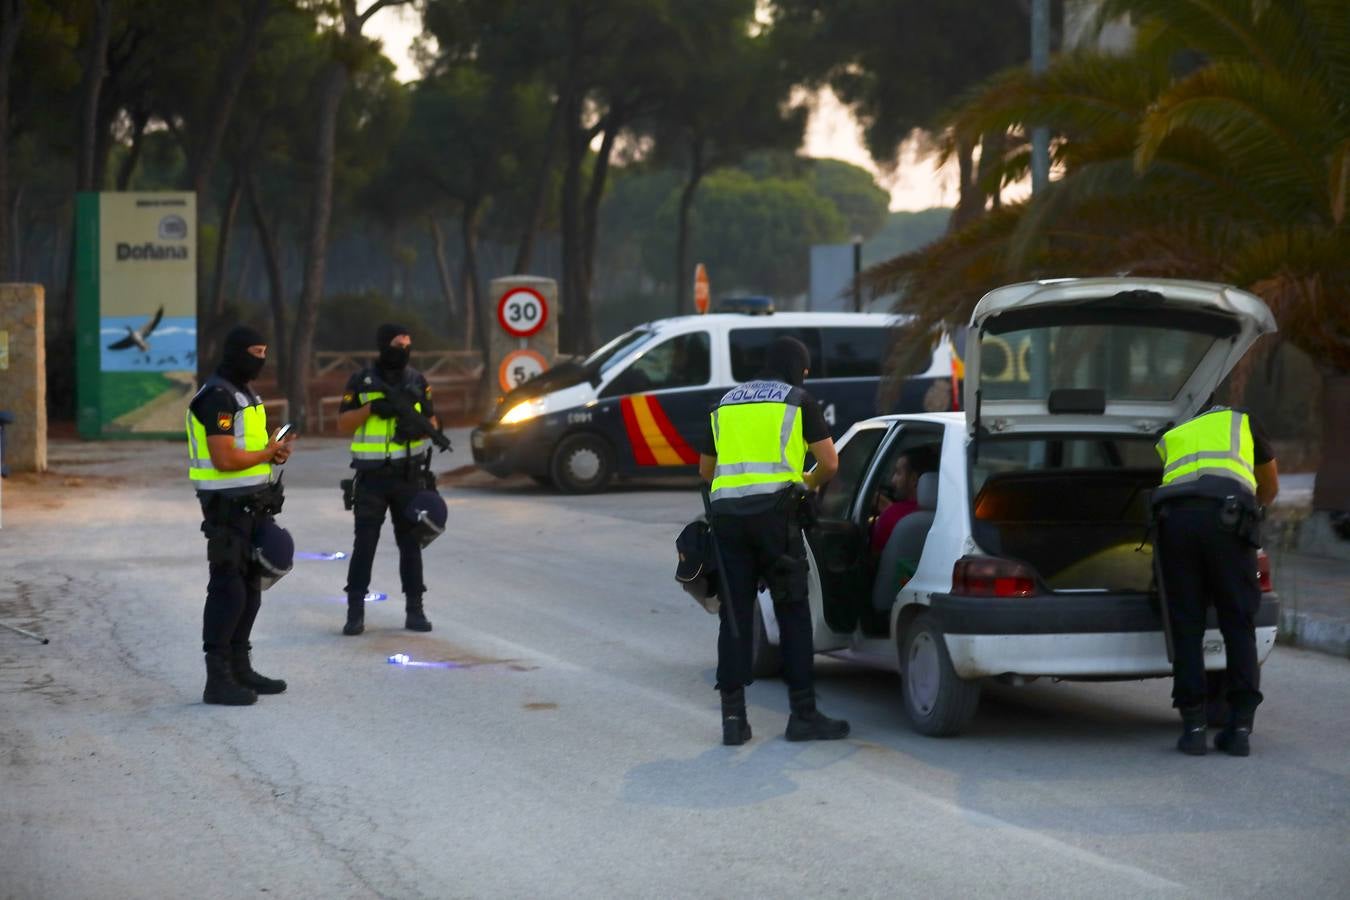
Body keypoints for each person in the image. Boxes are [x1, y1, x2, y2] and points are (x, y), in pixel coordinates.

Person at [698, 336, 850, 746]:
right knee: (792, 612)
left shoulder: (724, 403)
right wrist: (805, 484)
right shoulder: (798, 400)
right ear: (797, 368)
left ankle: (733, 720)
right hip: (777, 520)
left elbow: (706, 470)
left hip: (729, 522)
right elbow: (830, 462)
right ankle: (802, 714)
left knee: (734, 616)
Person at [1153, 402, 1278, 756]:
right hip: (1228, 521)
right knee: (1238, 622)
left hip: (1175, 524)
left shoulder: (1174, 434)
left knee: (1186, 625)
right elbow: (1269, 485)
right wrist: (1253, 517)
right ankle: (1239, 729)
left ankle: (1193, 729)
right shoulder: (1242, 422)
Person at [186, 325, 296, 706]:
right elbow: (224, 458)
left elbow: (249, 449)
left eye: (265, 351)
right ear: (235, 352)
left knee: (251, 587)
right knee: (227, 588)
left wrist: (273, 450)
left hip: (253, 501)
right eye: (254, 351)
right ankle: (217, 680)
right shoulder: (216, 396)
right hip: (224, 507)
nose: (260, 359)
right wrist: (266, 454)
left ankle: (240, 667)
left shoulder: (246, 393)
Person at [337, 323, 439, 636]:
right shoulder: (361, 380)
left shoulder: (418, 381)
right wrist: (370, 409)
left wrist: (417, 428)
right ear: (384, 345)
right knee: (365, 544)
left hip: (408, 476)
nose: (404, 349)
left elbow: (432, 422)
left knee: (411, 544)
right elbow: (343, 423)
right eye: (398, 343)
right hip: (371, 478)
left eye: (408, 344)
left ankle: (415, 608)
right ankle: (355, 611)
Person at [870, 446, 938, 556]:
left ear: (914, 479)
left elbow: (873, 559)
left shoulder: (891, 516)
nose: (893, 480)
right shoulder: (952, 518)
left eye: (898, 473)